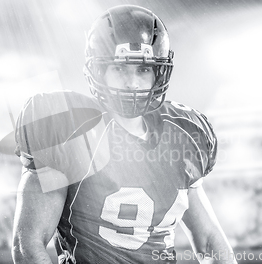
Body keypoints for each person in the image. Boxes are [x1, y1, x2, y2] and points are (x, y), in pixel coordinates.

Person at [12, 5, 236, 264]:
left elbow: (209, 240)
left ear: (158, 73)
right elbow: (27, 245)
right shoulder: (67, 131)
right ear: (99, 72)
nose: (132, 83)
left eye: (143, 69)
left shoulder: (182, 137)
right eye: (120, 69)